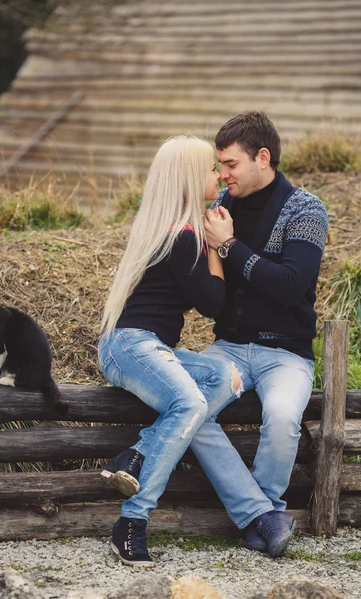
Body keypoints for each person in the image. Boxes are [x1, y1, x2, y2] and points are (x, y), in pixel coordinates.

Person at [106, 112, 329, 559]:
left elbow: (290, 286)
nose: (222, 175)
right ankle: (259, 518)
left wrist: (228, 247)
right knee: (194, 412)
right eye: (218, 166)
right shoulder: (214, 209)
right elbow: (207, 292)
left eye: (229, 164)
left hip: (287, 352)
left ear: (262, 158)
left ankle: (265, 512)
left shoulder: (306, 209)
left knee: (284, 418)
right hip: (229, 347)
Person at [98, 135, 245, 568]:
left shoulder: (170, 230)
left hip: (147, 346)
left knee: (223, 377)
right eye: (210, 169)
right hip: (129, 344)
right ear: (188, 179)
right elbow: (212, 303)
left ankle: (137, 454)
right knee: (188, 402)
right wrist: (219, 244)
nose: (218, 175)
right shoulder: (182, 236)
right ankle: (132, 522)